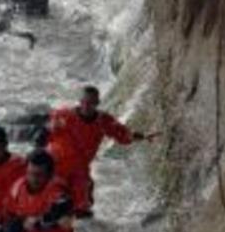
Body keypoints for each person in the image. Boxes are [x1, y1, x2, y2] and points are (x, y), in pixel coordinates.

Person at [36, 86, 152, 218]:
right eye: (84, 102)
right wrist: (38, 160)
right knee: (55, 205)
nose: (86, 106)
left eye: (91, 103)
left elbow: (122, 134)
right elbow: (42, 136)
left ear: (97, 103)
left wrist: (143, 136)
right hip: (56, 167)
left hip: (80, 170)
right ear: (79, 101)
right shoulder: (63, 116)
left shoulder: (103, 121)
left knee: (83, 208)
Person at [2, 150, 75, 232]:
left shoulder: (58, 190)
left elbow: (62, 212)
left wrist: (38, 222)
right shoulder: (18, 188)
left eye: (39, 175)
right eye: (30, 174)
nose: (33, 179)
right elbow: (8, 214)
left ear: (49, 175)